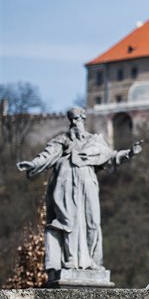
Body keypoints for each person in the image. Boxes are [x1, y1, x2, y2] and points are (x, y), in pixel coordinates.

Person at [16, 107, 142, 274]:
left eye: (77, 119)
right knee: (68, 221)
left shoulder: (95, 141)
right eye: (72, 120)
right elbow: (47, 155)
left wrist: (130, 153)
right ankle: (70, 259)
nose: (74, 123)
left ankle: (93, 261)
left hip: (88, 181)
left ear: (83, 119)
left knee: (93, 222)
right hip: (65, 182)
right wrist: (33, 164)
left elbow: (111, 156)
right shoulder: (63, 140)